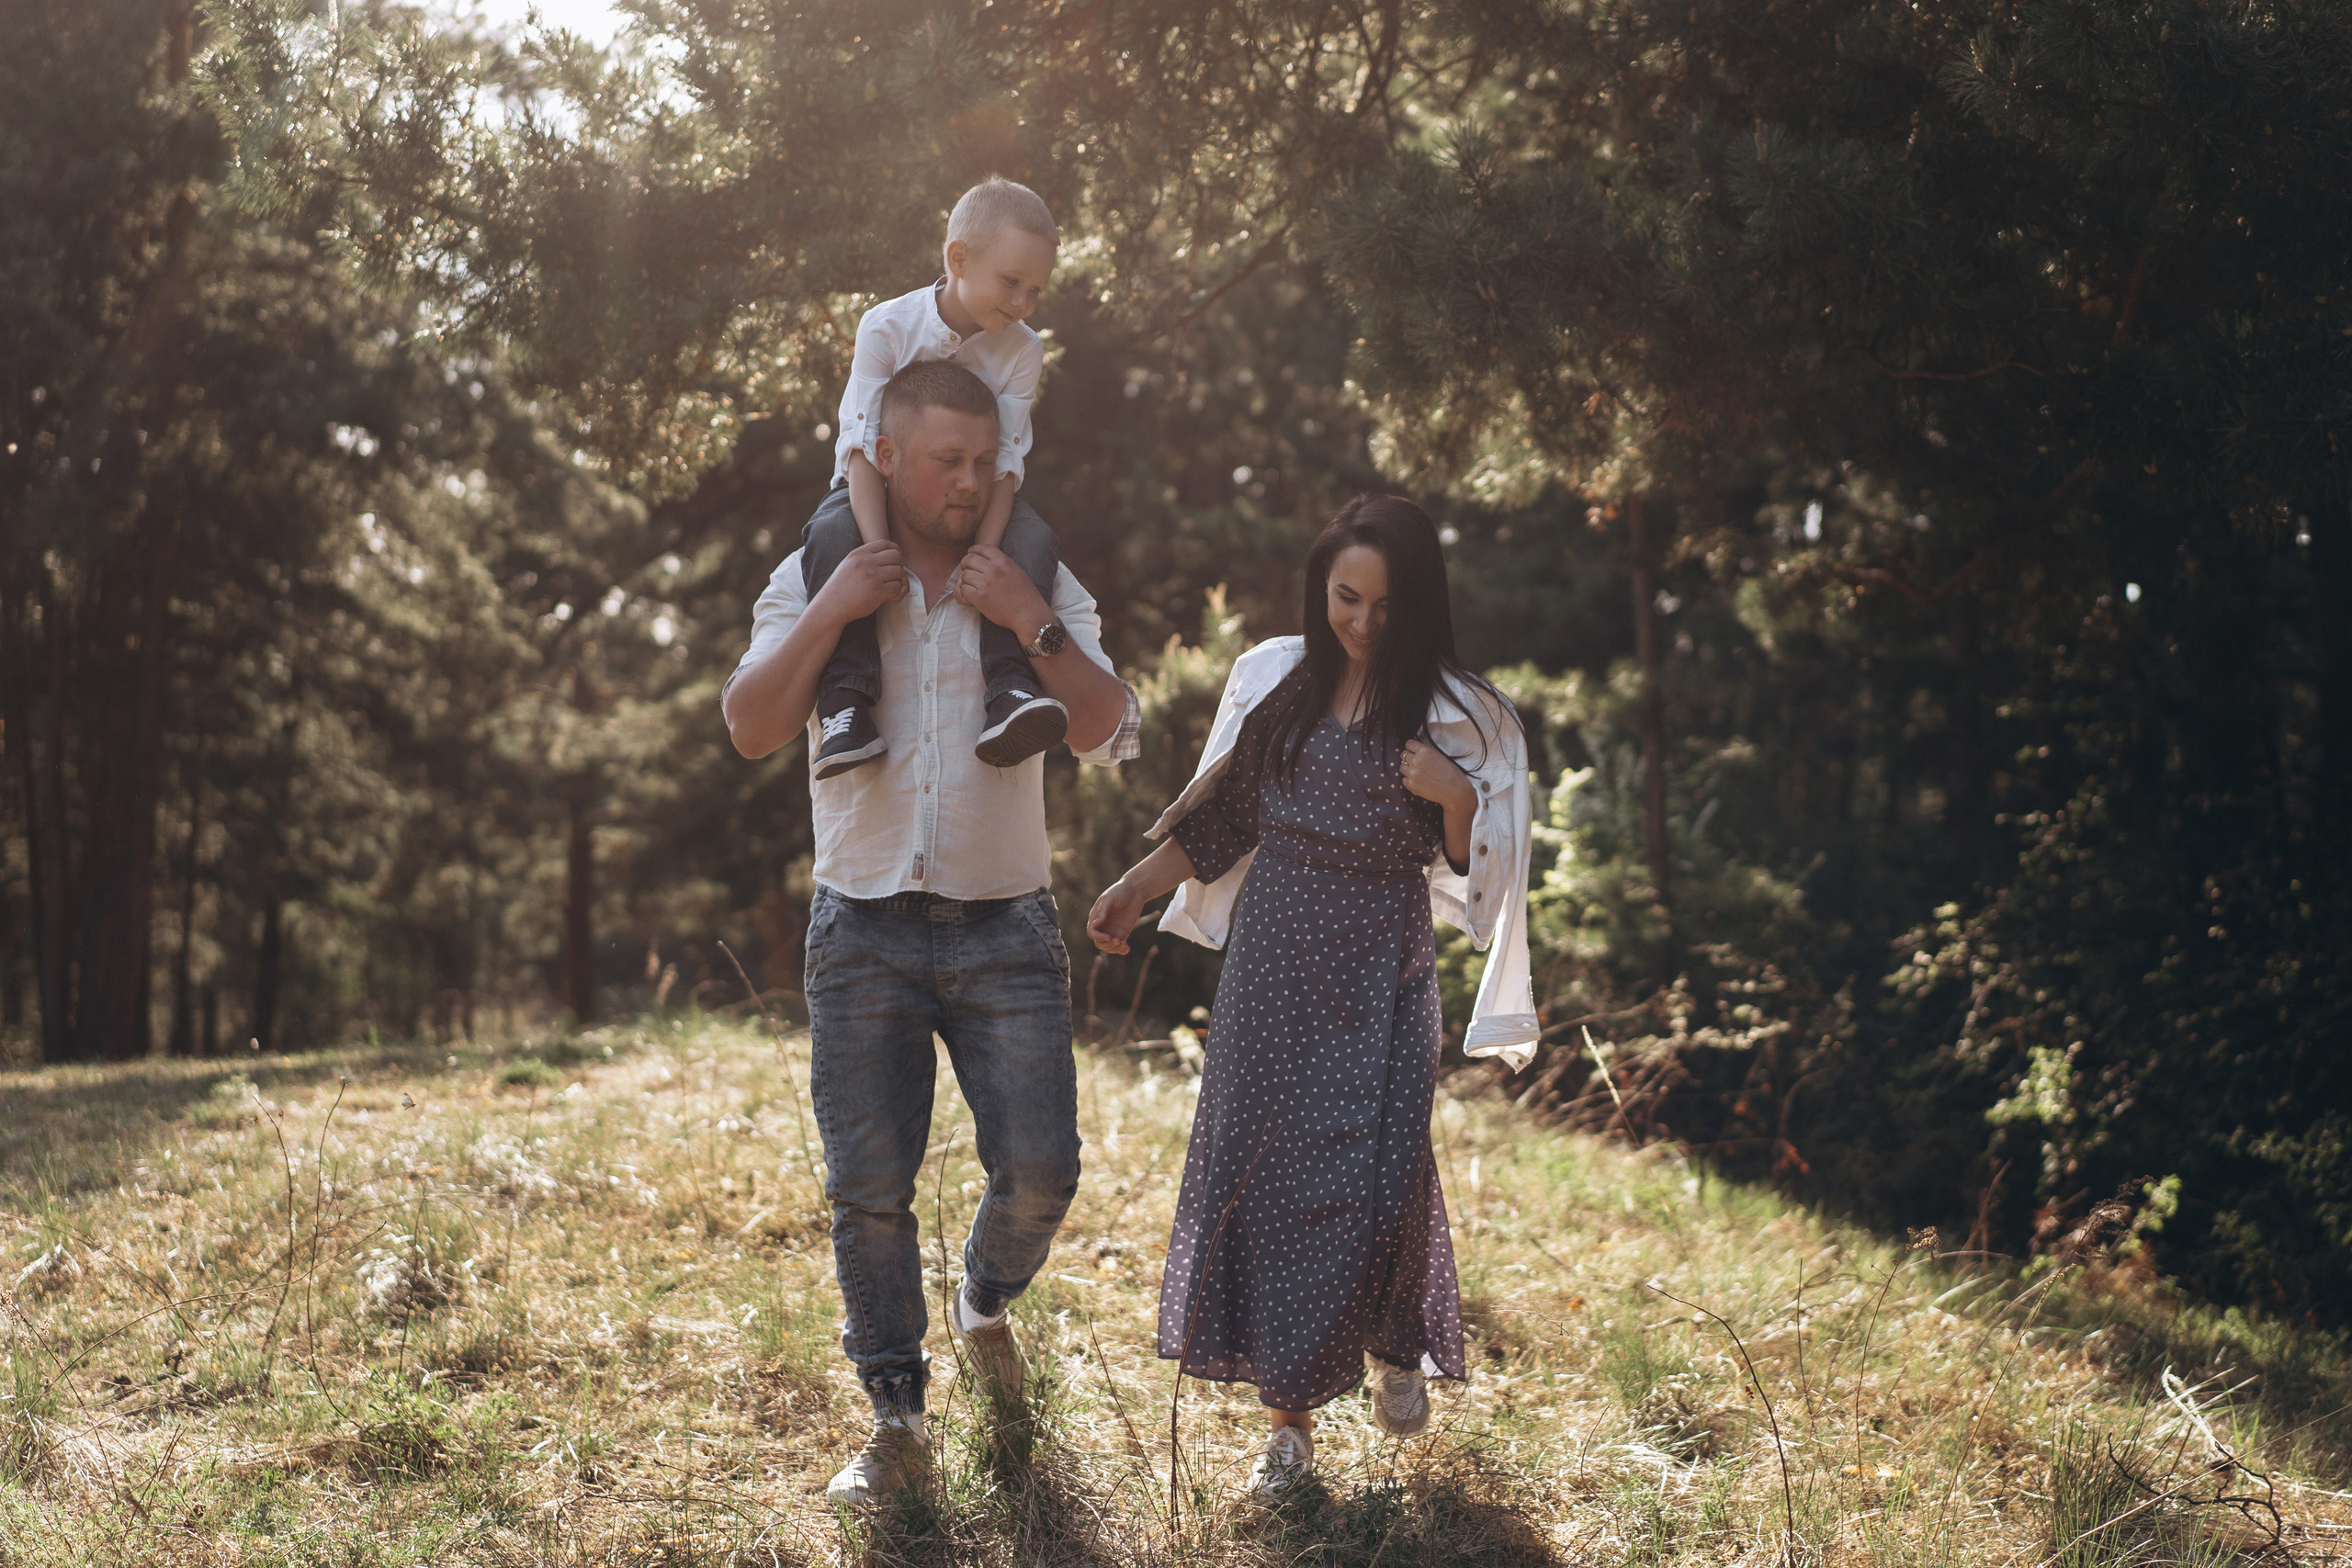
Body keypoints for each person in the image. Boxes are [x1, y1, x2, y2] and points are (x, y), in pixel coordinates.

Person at [723, 359, 1140, 1507]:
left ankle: (983, 1301)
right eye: (944, 462)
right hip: (859, 927)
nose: (967, 483)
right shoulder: (820, 572)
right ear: (888, 458)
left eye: (983, 462)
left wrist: (1030, 621)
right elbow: (753, 726)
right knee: (868, 1191)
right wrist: (831, 611)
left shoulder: (1028, 574)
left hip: (1005, 923)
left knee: (1044, 1168)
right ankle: (895, 1423)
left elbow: (1109, 727)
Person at [1086, 494, 1538, 1496]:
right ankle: (1287, 1432)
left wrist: (1455, 800)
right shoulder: (1281, 691)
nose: (1364, 622)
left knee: (1378, 1177)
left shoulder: (1451, 716)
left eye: (1386, 604)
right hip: (1274, 966)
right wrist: (1129, 887)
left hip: (1382, 966)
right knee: (1272, 1181)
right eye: (1346, 598)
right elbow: (1219, 825)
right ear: (1320, 586)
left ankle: (1389, 1341)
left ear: (1419, 602)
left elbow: (1475, 877)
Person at [800, 175, 1069, 780]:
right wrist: (876, 547)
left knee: (1030, 544)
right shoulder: (888, 328)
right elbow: (862, 449)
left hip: (975, 494)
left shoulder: (1021, 349)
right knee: (829, 536)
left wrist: (986, 552)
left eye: (1036, 291)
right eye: (1011, 282)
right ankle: (845, 703)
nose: (1024, 304)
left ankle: (1011, 691)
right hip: (877, 488)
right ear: (958, 258)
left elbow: (1004, 463)